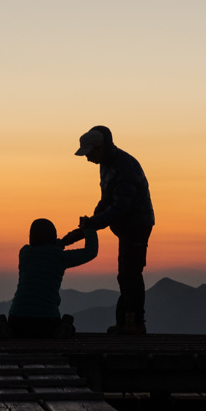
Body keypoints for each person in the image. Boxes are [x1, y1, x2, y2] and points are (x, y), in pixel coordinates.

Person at [75, 125, 154, 334]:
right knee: (125, 274)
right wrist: (93, 219)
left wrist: (95, 223)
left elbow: (120, 207)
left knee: (131, 273)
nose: (87, 158)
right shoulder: (107, 165)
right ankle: (126, 322)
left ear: (100, 147)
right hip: (126, 226)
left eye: (89, 153)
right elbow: (107, 199)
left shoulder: (125, 165)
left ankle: (135, 323)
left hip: (137, 224)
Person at [0, 218, 97, 338]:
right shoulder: (60, 257)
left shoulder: (24, 253)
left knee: (12, 327)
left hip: (17, 321)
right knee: (67, 322)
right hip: (48, 322)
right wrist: (89, 228)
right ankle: (63, 329)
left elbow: (47, 252)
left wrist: (63, 242)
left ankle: (5, 328)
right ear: (53, 236)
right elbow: (90, 252)